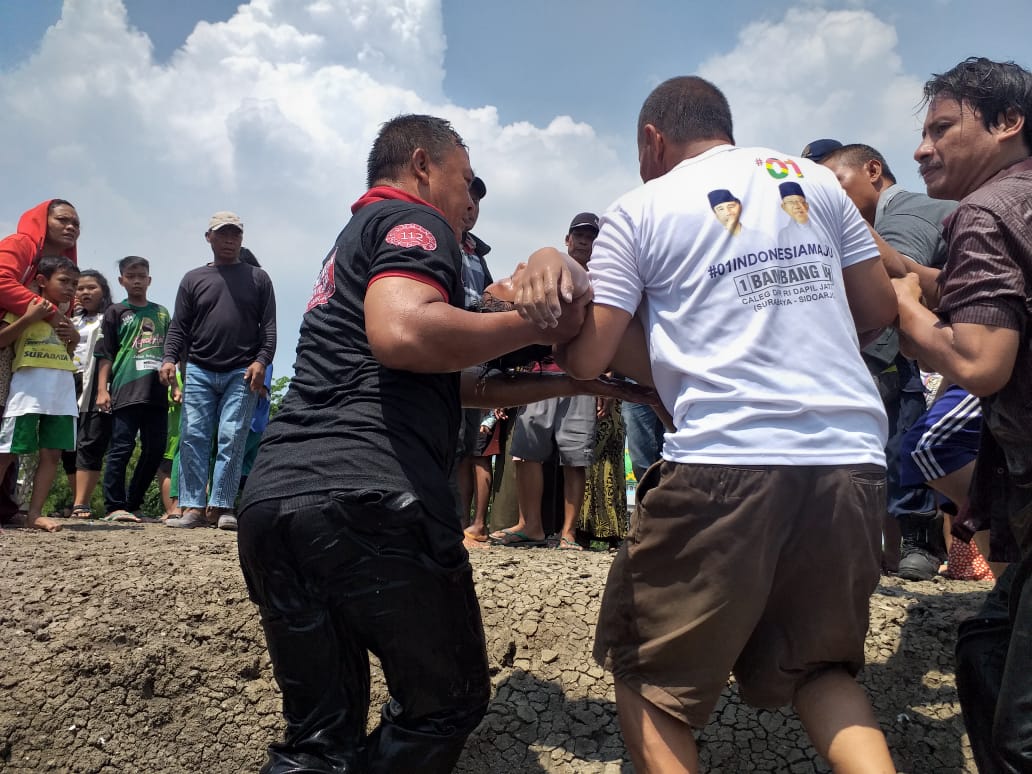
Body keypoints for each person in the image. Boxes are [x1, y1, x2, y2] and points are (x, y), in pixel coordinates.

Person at [514, 76, 898, 773]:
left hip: (725, 463)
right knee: (821, 670)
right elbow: (875, 309)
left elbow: (592, 353)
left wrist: (553, 313)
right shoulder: (813, 178)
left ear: (652, 140)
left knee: (648, 679)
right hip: (850, 462)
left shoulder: (641, 207)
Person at [235, 114, 593, 774]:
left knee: (317, 739)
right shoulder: (414, 220)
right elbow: (403, 334)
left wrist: (576, 380)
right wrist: (533, 321)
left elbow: (456, 383)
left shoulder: (350, 240)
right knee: (443, 704)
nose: (469, 202)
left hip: (276, 505)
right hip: (372, 498)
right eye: (464, 181)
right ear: (423, 165)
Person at [891, 56, 1032, 773]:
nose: (922, 147)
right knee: (986, 640)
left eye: (943, 128)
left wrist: (903, 311)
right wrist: (902, 269)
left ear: (1008, 124)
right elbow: (985, 288)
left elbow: (980, 363)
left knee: (1016, 739)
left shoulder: (981, 213)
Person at [818, 141, 959, 579]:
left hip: (888, 355)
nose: (825, 195)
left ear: (873, 170)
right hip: (909, 350)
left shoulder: (908, 215)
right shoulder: (872, 222)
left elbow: (890, 283)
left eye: (834, 182)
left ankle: (917, 540)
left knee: (908, 444)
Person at [490, 212, 601, 550]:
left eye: (591, 237)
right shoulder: (544, 269)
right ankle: (531, 525)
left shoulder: (606, 277)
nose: (584, 241)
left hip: (582, 377)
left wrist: (605, 380)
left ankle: (567, 533)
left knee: (576, 456)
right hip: (540, 374)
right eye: (578, 236)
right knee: (526, 452)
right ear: (567, 240)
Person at [161, 211, 276, 531]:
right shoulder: (193, 278)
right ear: (209, 237)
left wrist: (261, 361)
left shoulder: (258, 278)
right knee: (193, 435)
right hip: (198, 368)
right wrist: (169, 359)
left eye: (235, 234)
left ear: (242, 238)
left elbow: (268, 328)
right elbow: (179, 327)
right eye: (222, 234)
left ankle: (223, 506)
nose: (229, 240)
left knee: (232, 435)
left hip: (241, 371)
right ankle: (194, 507)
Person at [0, 199, 80, 525]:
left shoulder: (62, 267)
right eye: (62, 219)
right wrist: (45, 312)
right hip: (13, 349)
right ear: (41, 219)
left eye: (76, 222)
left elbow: (67, 335)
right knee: (7, 440)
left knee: (43, 448)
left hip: (53, 377)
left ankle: (15, 510)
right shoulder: (19, 243)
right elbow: (2, 282)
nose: (72, 226)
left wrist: (66, 329)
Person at [94, 256, 170, 522]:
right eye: (131, 276)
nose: (137, 280)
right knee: (121, 448)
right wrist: (102, 390)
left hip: (157, 392)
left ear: (149, 280)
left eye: (141, 276)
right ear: (121, 280)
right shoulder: (116, 312)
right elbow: (105, 353)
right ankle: (114, 505)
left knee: (155, 448)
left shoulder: (161, 312)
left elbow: (172, 353)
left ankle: (133, 503)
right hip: (126, 388)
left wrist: (175, 385)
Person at [62, 269, 113, 519]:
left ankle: (83, 502)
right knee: (67, 444)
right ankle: (75, 501)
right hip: (67, 381)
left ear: (103, 290)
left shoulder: (111, 316)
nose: (84, 292)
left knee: (90, 441)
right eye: (80, 288)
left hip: (97, 384)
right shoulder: (70, 317)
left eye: (91, 287)